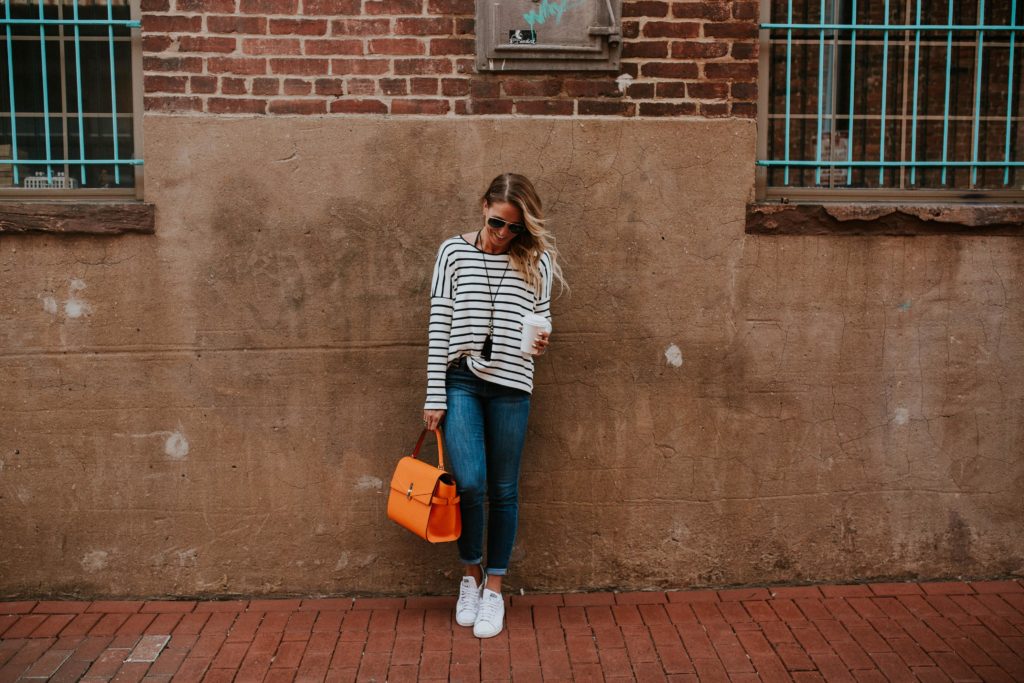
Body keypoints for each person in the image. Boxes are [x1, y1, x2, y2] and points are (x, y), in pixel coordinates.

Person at [422, 173, 565, 639]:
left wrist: (541, 341)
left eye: (514, 229)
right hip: (461, 378)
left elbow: (540, 319)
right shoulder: (453, 252)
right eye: (496, 223)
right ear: (483, 206)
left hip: (512, 382)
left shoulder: (536, 260)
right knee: (471, 482)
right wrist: (434, 394)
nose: (503, 235)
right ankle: (470, 577)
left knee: (504, 488)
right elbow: (439, 322)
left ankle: (495, 590)